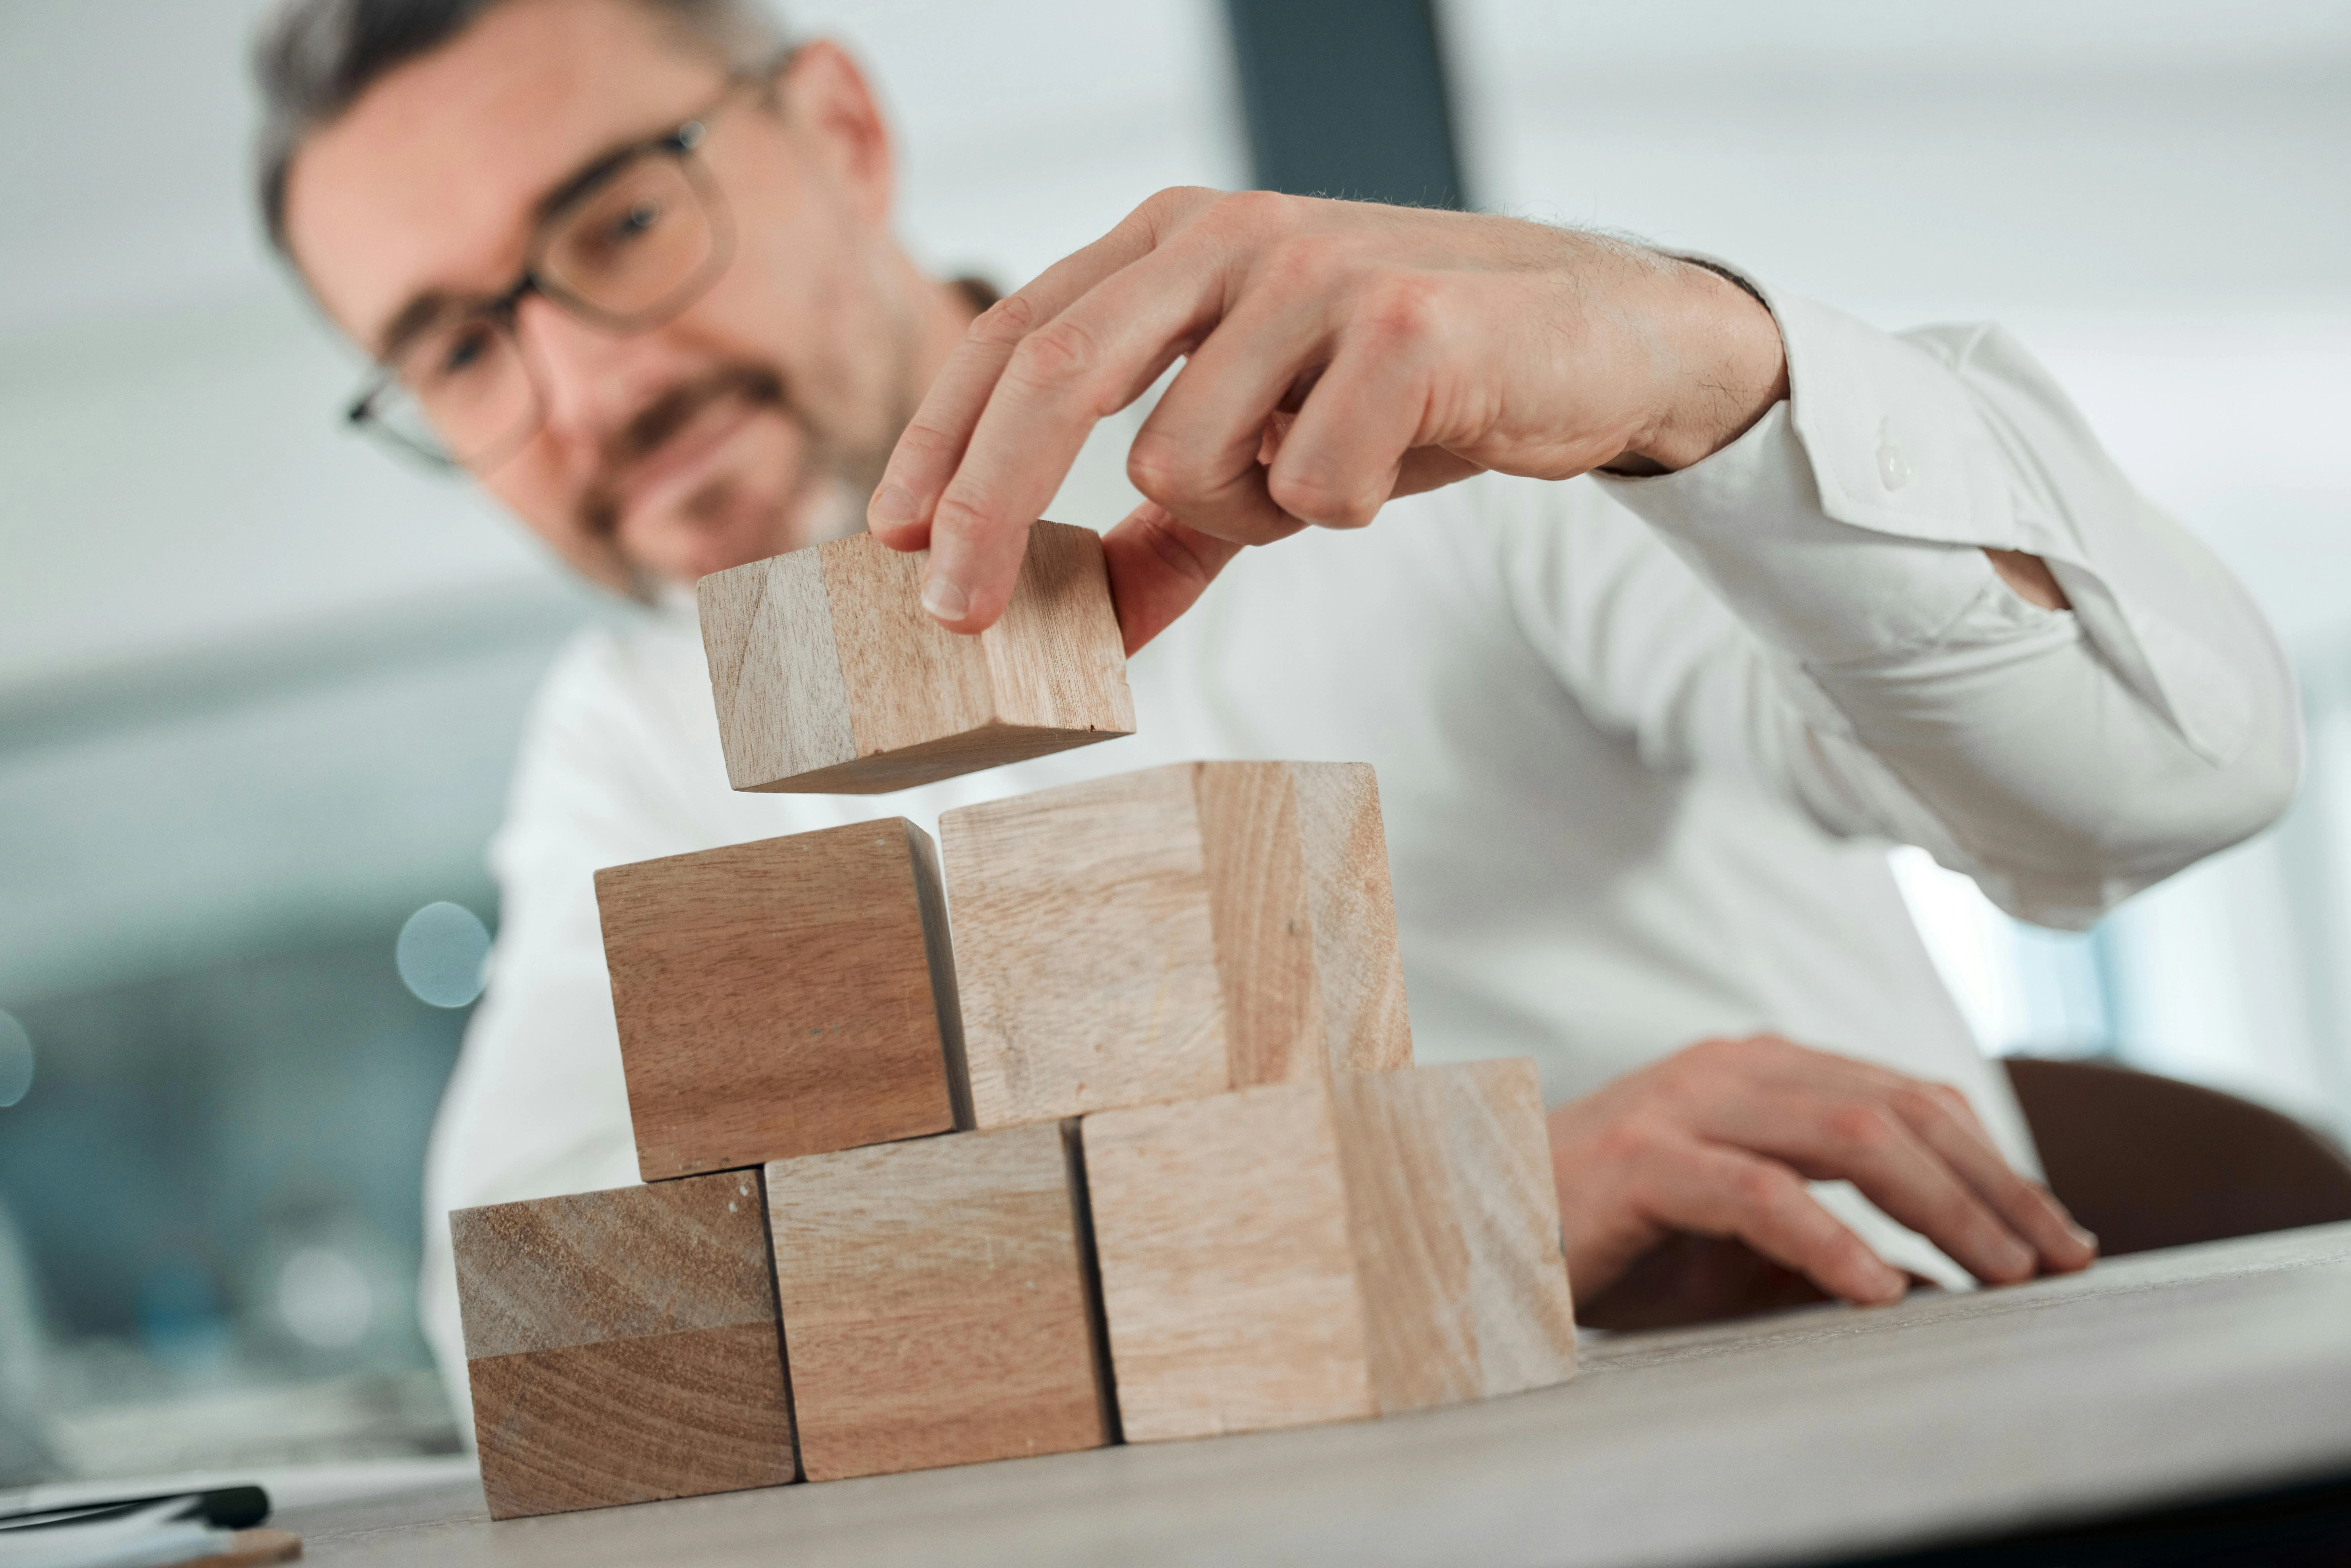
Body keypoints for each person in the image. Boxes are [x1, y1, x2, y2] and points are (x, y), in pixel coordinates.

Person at [252, 0, 2296, 1415]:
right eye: (454, 347)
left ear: (845, 138)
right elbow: (546, 1336)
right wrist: (1445, 1212)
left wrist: (1705, 369)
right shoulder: (630, 730)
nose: (592, 389)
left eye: (620, 222)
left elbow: (2163, 785)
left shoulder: (1402, 415)